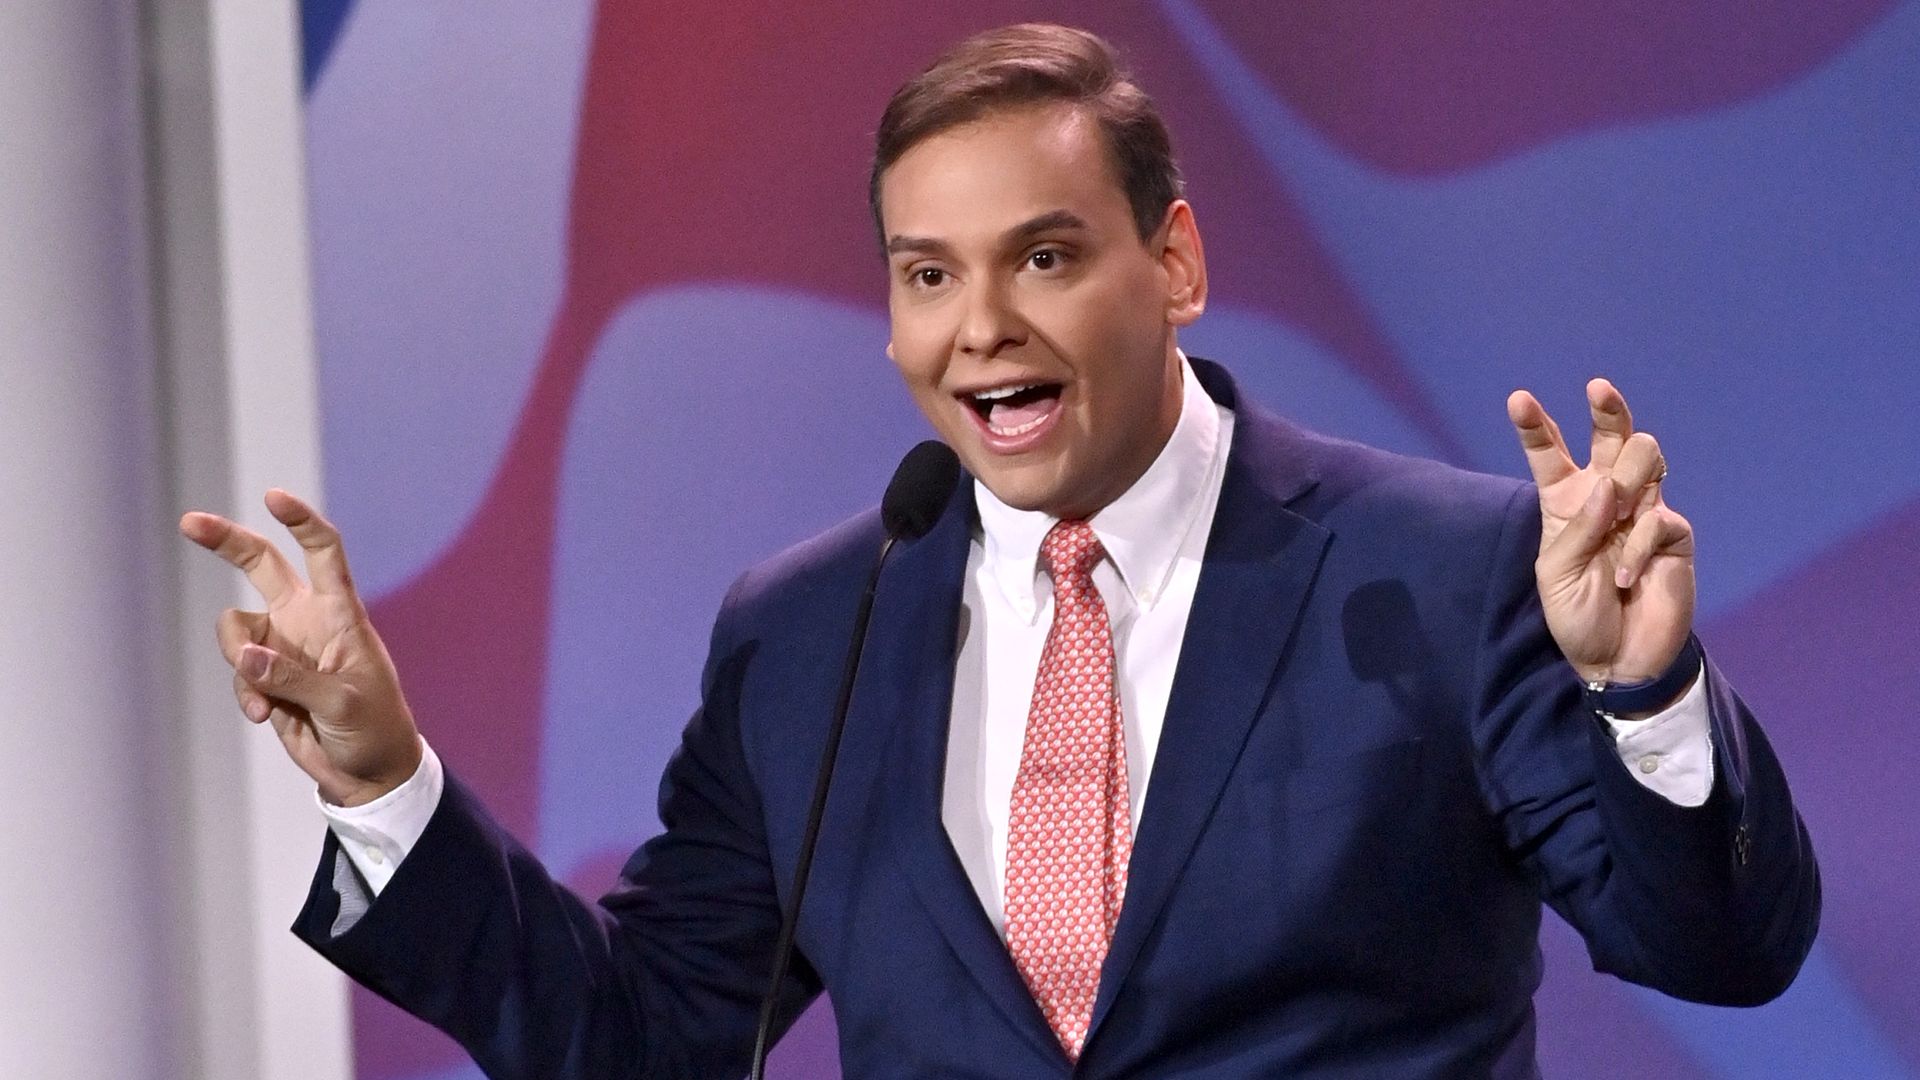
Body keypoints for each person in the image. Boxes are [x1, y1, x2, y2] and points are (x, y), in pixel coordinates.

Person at [179, 23, 1817, 1079]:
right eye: (927, 275)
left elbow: (1720, 953)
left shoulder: (1446, 569)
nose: (981, 329)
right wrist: (386, 786)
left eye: (1043, 257)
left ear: (1175, 264)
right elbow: (649, 1040)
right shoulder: (809, 633)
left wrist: (1647, 697)